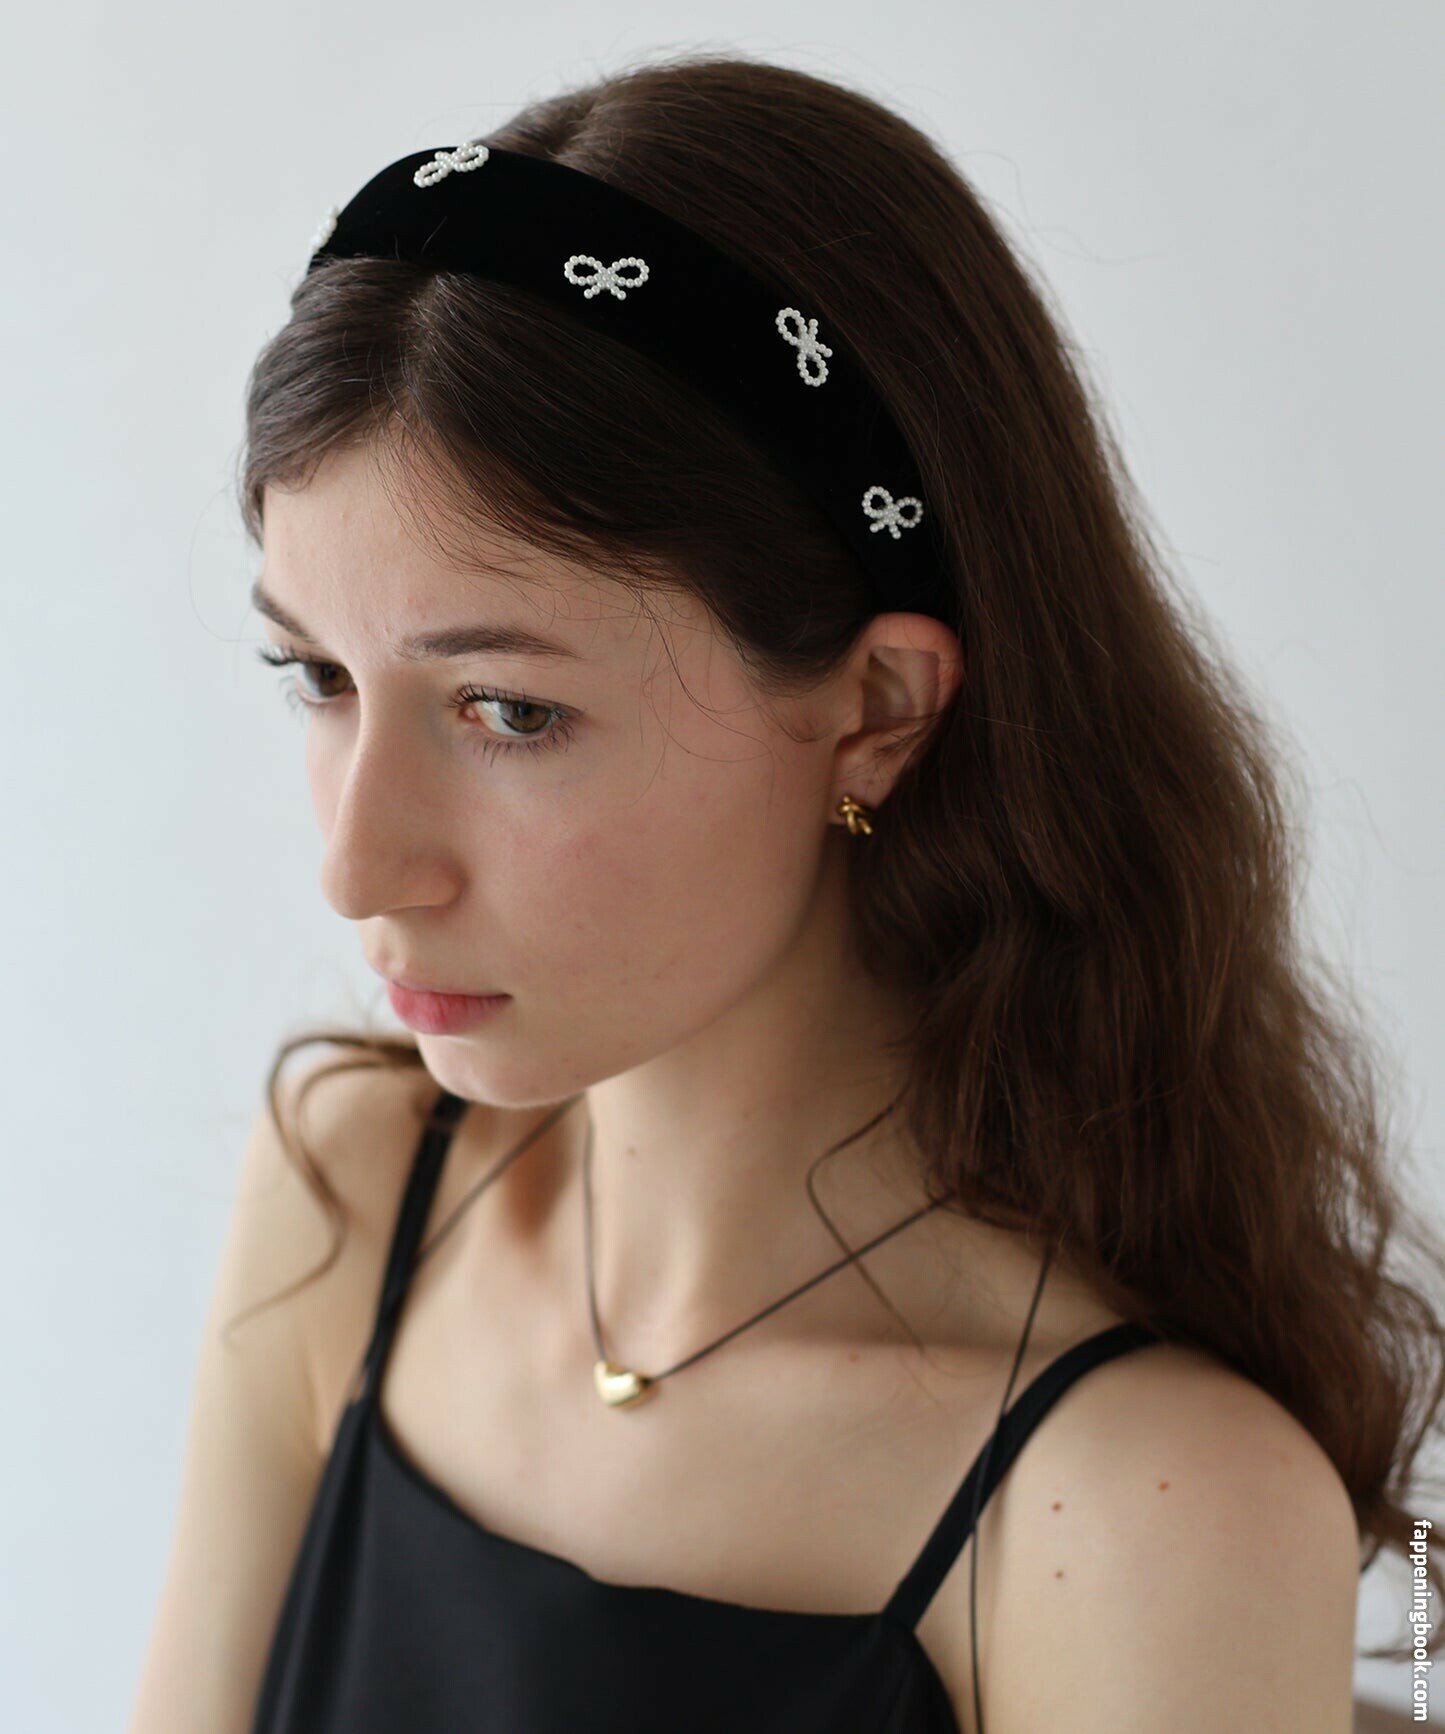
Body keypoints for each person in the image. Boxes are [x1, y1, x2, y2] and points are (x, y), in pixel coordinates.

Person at [127, 49, 1443, 1734]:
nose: (355, 862)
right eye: (316, 675)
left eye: (509, 710)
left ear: (878, 707)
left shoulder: (1132, 1512)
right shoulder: (352, 1188)